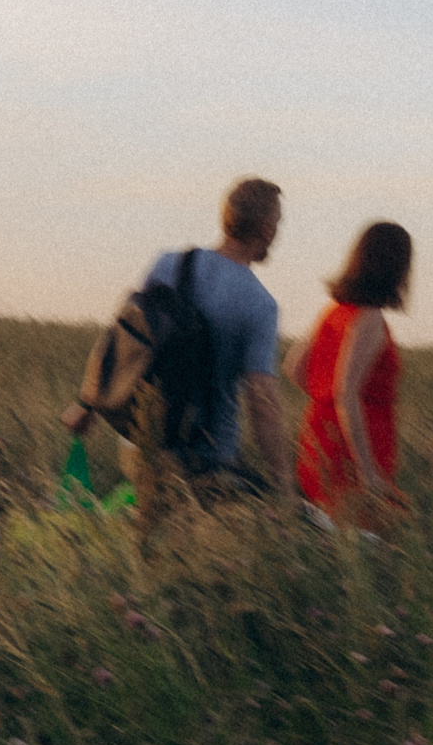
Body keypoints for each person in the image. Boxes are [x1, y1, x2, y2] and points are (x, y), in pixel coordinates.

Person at [64, 176, 295, 504]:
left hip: (138, 444)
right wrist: (283, 482)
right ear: (266, 230)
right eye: (277, 223)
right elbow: (262, 402)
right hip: (206, 462)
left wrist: (87, 403)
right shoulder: (259, 304)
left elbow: (124, 336)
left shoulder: (169, 264)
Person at [289, 221, 413, 531]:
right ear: (396, 267)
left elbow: (293, 367)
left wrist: (326, 405)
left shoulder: (335, 309)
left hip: (320, 436)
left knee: (324, 535)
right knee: (362, 544)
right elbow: (347, 391)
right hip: (353, 453)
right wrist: (368, 473)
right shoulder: (369, 319)